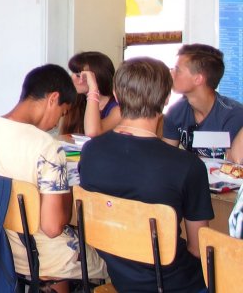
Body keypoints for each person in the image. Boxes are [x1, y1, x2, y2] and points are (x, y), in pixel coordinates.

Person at [0, 64, 105, 292]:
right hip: (35, 254)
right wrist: (64, 197)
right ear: (53, 99)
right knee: (109, 261)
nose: (56, 123)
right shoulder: (47, 147)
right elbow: (52, 228)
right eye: (62, 113)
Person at [80, 57, 212, 292]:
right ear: (167, 98)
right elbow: (198, 248)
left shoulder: (91, 151)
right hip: (176, 284)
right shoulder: (187, 165)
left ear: (116, 95)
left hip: (121, 279)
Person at [162, 44, 243, 161]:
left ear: (198, 79)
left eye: (177, 70)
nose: (171, 74)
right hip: (193, 172)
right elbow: (167, 157)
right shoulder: (175, 112)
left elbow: (236, 163)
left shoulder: (235, 116)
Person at [64, 51, 121, 137]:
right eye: (72, 74)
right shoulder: (77, 102)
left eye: (79, 76)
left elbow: (93, 133)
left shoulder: (118, 110)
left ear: (98, 78)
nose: (72, 78)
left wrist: (93, 88)